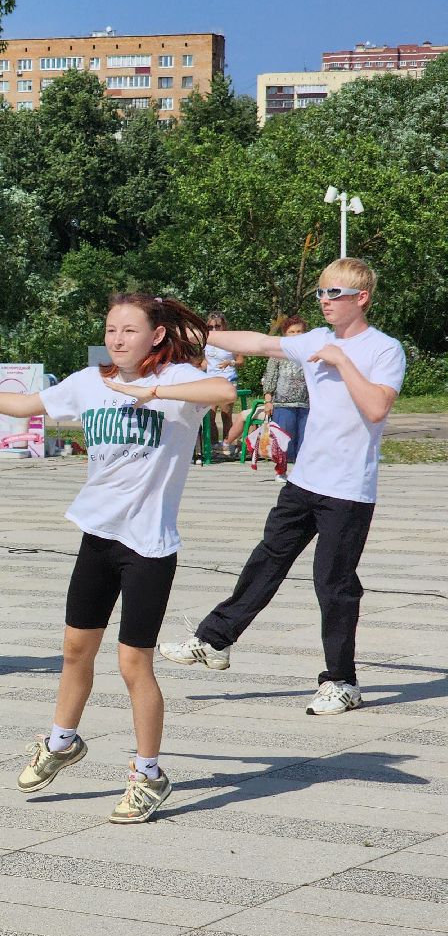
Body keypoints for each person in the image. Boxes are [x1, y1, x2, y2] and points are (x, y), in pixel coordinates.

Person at [0, 294, 234, 823]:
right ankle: (62, 741)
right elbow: (26, 405)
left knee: (134, 663)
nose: (117, 338)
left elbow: (223, 389)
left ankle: (149, 775)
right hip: (98, 537)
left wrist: (150, 390)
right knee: (73, 649)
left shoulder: (178, 381)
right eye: (111, 329)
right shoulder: (90, 382)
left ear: (156, 335)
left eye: (129, 330)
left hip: (148, 546)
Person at [161, 258, 405, 716]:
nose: (325, 302)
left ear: (362, 298)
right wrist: (196, 333)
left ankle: (342, 682)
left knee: (333, 584)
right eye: (321, 293)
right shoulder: (314, 339)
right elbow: (258, 343)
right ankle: (215, 641)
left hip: (348, 490)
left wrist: (340, 361)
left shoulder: (384, 349)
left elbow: (376, 409)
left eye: (335, 294)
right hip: (303, 481)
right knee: (267, 560)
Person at [260, 316, 310, 477]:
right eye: (291, 332)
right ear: (285, 334)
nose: (296, 335)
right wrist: (268, 401)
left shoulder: (311, 352)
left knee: (305, 440)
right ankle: (280, 471)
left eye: (299, 331)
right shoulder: (277, 353)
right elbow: (270, 377)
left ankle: (302, 475)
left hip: (306, 404)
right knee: (282, 440)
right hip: (283, 403)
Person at [201, 312, 241, 450]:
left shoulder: (231, 341)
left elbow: (241, 361)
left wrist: (230, 362)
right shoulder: (207, 342)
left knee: (225, 414)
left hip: (228, 379)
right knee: (209, 414)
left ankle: (227, 443)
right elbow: (206, 362)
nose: (214, 330)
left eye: (217, 326)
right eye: (210, 327)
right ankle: (213, 444)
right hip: (211, 380)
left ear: (224, 326)